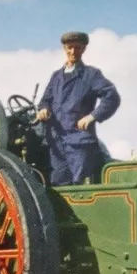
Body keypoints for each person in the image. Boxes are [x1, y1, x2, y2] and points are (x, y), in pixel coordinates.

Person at [36, 31, 121, 185]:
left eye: (77, 48)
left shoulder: (91, 75)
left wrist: (93, 116)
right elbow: (45, 101)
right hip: (56, 141)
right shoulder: (56, 76)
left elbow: (112, 97)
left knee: (80, 184)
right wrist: (43, 109)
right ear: (64, 49)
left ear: (83, 49)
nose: (73, 52)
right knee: (58, 183)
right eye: (69, 48)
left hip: (79, 141)